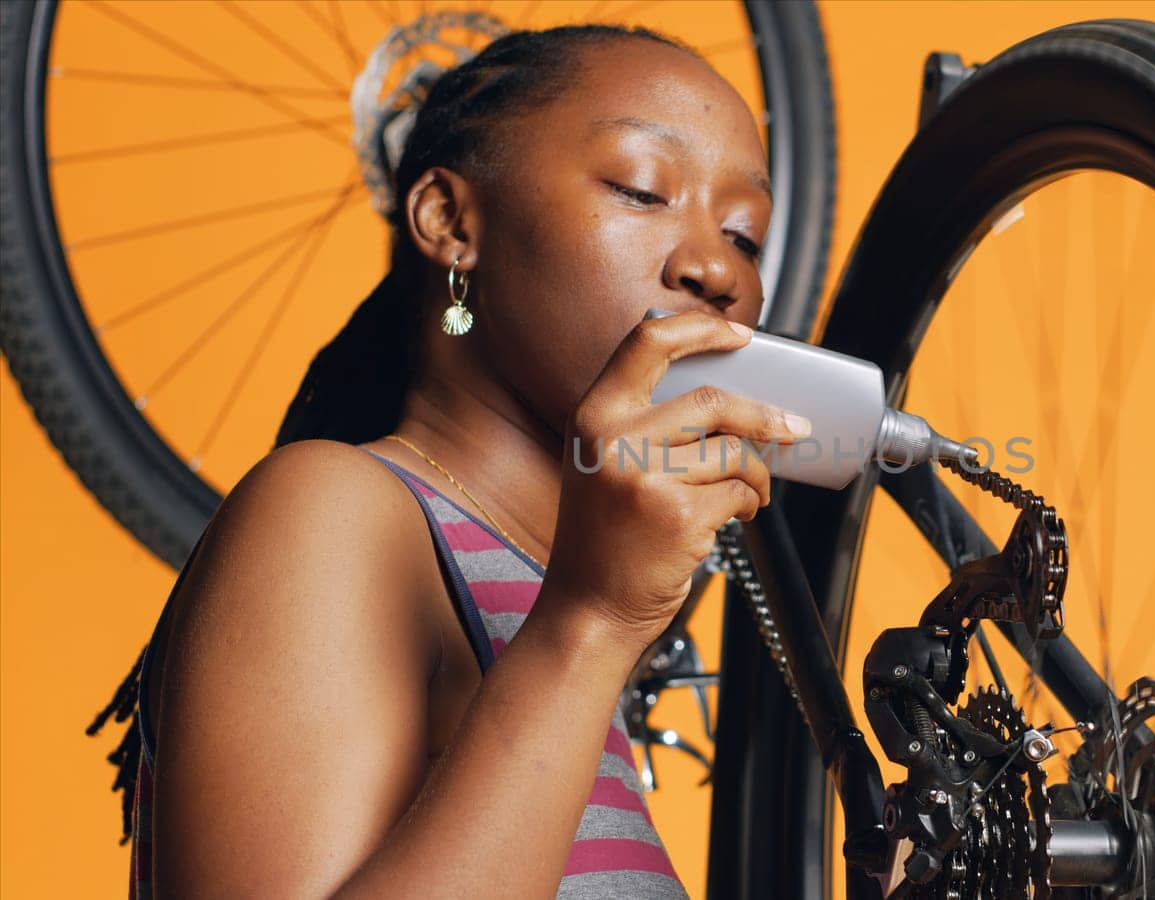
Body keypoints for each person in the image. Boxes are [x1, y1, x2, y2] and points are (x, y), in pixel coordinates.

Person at [85, 23, 811, 898]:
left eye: (745, 236)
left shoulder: (569, 602)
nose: (713, 268)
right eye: (641, 189)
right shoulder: (333, 511)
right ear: (450, 222)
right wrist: (593, 624)